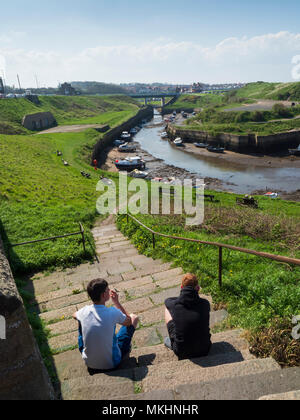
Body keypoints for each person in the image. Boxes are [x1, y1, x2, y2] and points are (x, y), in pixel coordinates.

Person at [73, 278, 139, 374]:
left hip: (90, 363)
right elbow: (129, 321)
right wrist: (116, 302)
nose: (109, 291)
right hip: (112, 364)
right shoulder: (112, 311)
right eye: (108, 290)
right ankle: (121, 352)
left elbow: (74, 315)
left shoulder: (83, 311)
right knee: (134, 317)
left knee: (80, 322)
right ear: (104, 295)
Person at [164, 273, 211, 360]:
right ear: (198, 288)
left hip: (182, 351)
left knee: (167, 309)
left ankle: (172, 340)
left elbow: (167, 301)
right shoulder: (205, 303)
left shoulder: (175, 305)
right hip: (204, 349)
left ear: (182, 287)